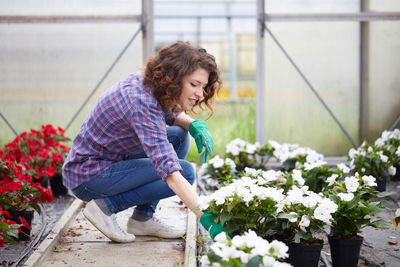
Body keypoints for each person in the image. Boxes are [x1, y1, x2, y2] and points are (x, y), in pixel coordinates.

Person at [62, 41, 225, 243]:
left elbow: (167, 113)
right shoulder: (141, 103)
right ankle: (105, 208)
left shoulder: (150, 84)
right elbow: (169, 170)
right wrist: (204, 216)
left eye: (203, 86)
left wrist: (193, 125)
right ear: (174, 78)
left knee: (178, 135)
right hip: (88, 176)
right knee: (186, 172)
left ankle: (142, 218)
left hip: (111, 159)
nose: (200, 94)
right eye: (194, 84)